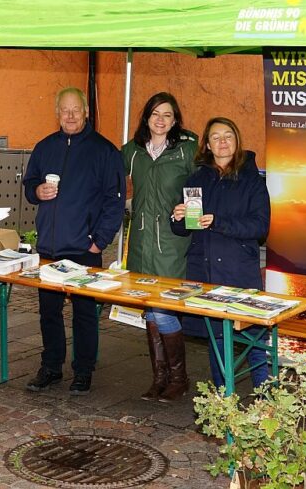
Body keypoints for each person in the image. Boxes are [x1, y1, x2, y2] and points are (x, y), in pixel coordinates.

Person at [23, 87, 125, 395]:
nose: (70, 116)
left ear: (85, 112)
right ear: (57, 113)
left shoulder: (104, 151)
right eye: (64, 110)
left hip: (84, 248)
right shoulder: (44, 147)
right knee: (48, 312)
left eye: (75, 110)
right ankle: (51, 366)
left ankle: (83, 370)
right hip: (49, 249)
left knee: (84, 314)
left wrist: (98, 242)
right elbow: (30, 184)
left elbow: (114, 201)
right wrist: (36, 191)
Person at [171, 117, 271, 388]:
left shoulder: (252, 180)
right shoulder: (197, 179)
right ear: (207, 144)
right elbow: (185, 230)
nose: (223, 142)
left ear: (237, 141)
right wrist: (178, 217)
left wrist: (219, 222)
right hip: (205, 270)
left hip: (238, 269)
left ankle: (265, 399)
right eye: (216, 137)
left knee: (254, 336)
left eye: (228, 136)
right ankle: (223, 399)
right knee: (216, 338)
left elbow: (260, 227)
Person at [121, 92, 197, 402]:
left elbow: (199, 186)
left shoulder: (186, 150)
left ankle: (179, 378)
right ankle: (160, 378)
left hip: (171, 240)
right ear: (146, 117)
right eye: (155, 113)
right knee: (150, 310)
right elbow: (108, 175)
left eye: (167, 114)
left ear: (175, 119)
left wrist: (188, 213)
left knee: (164, 307)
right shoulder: (133, 151)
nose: (161, 120)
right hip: (140, 240)